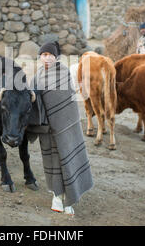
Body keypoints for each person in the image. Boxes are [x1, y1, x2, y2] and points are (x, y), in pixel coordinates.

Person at [26, 41, 93, 215]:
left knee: (67, 162)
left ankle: (69, 199)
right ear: (40, 57)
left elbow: (67, 104)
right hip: (47, 130)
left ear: (56, 57)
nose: (46, 58)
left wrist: (62, 126)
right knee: (52, 163)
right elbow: (33, 100)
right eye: (43, 55)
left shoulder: (63, 73)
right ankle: (56, 196)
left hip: (64, 128)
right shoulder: (38, 75)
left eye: (50, 55)